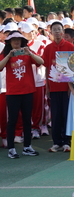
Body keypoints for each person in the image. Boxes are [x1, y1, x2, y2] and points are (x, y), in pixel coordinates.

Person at [0, 31, 43, 159]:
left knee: (26, 120)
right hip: (13, 92)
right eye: (14, 40)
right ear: (9, 42)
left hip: (28, 91)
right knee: (12, 120)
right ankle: (11, 148)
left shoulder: (27, 52)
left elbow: (41, 61)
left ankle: (27, 147)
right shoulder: (6, 54)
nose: (16, 42)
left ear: (22, 41)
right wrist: (8, 56)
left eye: (18, 40)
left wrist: (29, 53)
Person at [44, 21, 74, 153]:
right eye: (54, 30)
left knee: (67, 115)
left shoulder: (70, 47)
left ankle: (66, 142)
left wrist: (70, 87)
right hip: (54, 87)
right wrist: (47, 86)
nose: (57, 32)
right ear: (51, 33)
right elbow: (46, 68)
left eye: (59, 29)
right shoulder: (48, 48)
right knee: (55, 116)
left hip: (67, 88)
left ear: (63, 32)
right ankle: (56, 142)